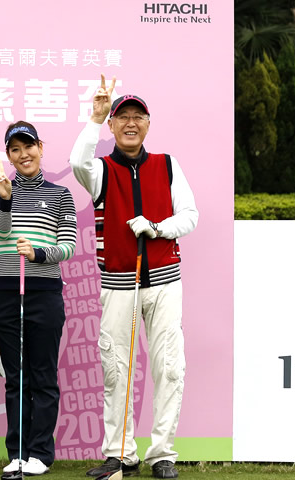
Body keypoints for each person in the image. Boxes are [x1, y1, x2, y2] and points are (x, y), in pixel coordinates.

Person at [69, 75, 198, 479]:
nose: (130, 123)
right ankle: (121, 454)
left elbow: (190, 216)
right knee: (116, 370)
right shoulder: (100, 170)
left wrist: (157, 228)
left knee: (169, 368)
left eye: (137, 116)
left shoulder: (167, 165)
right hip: (118, 283)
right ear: (112, 125)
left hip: (164, 281)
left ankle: (162, 454)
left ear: (148, 123)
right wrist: (94, 117)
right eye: (122, 116)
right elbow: (77, 162)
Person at [0, 121, 77, 477]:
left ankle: (40, 453)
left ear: (40, 147)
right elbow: (1, 230)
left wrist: (38, 253)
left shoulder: (60, 195)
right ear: (8, 155)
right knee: (15, 377)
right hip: (6, 292)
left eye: (29, 146)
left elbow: (68, 246)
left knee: (43, 375)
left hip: (44, 292)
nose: (24, 154)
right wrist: (6, 199)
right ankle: (17, 453)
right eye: (15, 149)